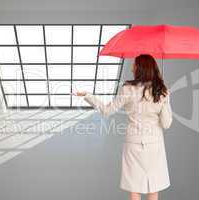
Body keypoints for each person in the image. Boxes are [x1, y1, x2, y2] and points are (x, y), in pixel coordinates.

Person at [74, 54, 173, 200]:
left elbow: (107, 111)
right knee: (154, 188)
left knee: (134, 188)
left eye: (134, 65)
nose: (132, 68)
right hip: (154, 145)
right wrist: (164, 100)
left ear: (140, 68)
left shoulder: (127, 89)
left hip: (133, 145)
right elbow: (166, 123)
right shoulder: (162, 92)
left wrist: (87, 95)